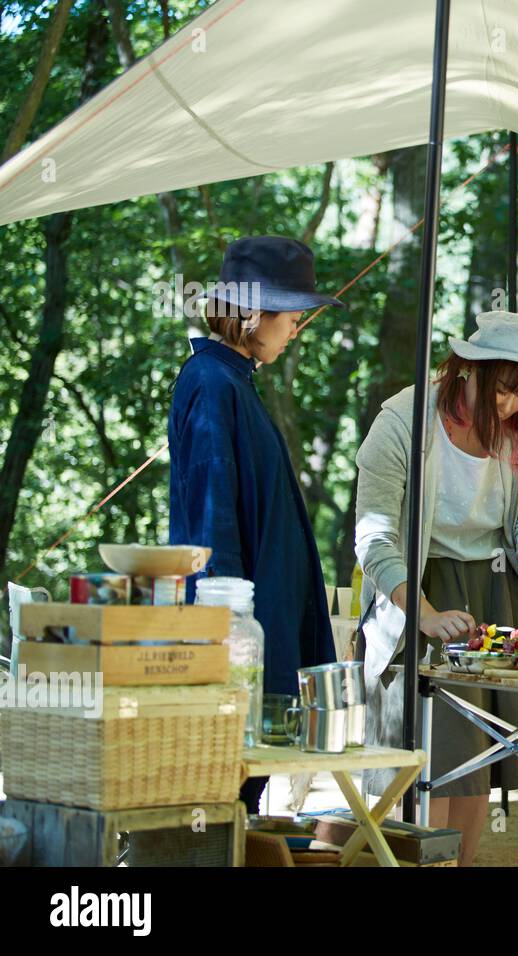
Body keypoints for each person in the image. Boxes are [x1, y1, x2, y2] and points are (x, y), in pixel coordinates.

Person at [354, 310, 518, 867]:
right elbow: (375, 534)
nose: (508, 407)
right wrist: (423, 615)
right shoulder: (404, 419)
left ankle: (461, 864)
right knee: (428, 758)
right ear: (466, 370)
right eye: (501, 389)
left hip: (497, 589)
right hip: (415, 583)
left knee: (477, 755)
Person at [168, 235, 344, 815]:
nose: (295, 330)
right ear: (252, 314)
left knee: (245, 786)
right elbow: (212, 515)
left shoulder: (236, 380)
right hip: (238, 626)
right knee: (224, 789)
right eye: (290, 317)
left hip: (262, 617)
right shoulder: (212, 383)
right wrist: (231, 629)